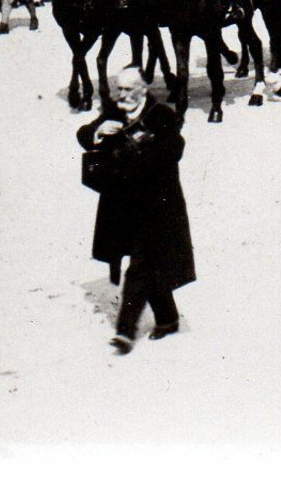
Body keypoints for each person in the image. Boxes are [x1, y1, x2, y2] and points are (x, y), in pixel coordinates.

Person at [77, 69, 193, 353]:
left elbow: (175, 148)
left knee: (139, 265)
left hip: (156, 206)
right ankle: (167, 318)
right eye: (119, 89)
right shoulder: (115, 112)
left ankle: (125, 332)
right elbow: (83, 134)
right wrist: (98, 132)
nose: (122, 95)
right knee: (148, 263)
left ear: (144, 88)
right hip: (122, 204)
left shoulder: (161, 115)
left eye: (128, 90)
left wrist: (142, 145)